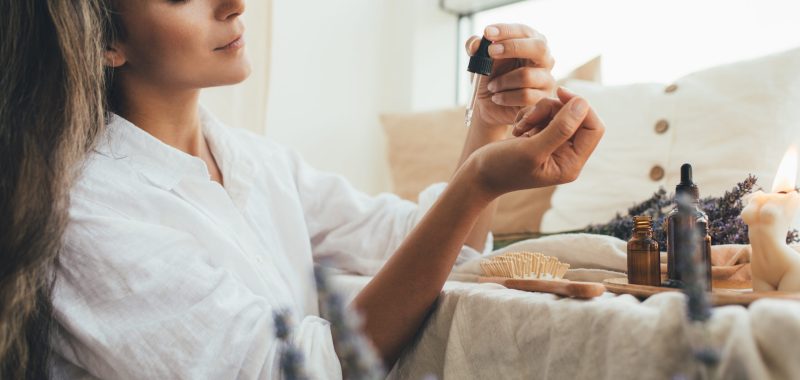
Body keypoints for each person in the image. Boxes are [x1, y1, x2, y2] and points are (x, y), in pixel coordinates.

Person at [0, 0, 604, 378]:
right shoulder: (84, 212)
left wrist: (487, 126)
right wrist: (478, 180)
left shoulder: (257, 163)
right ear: (107, 42)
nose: (234, 4)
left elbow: (427, 248)